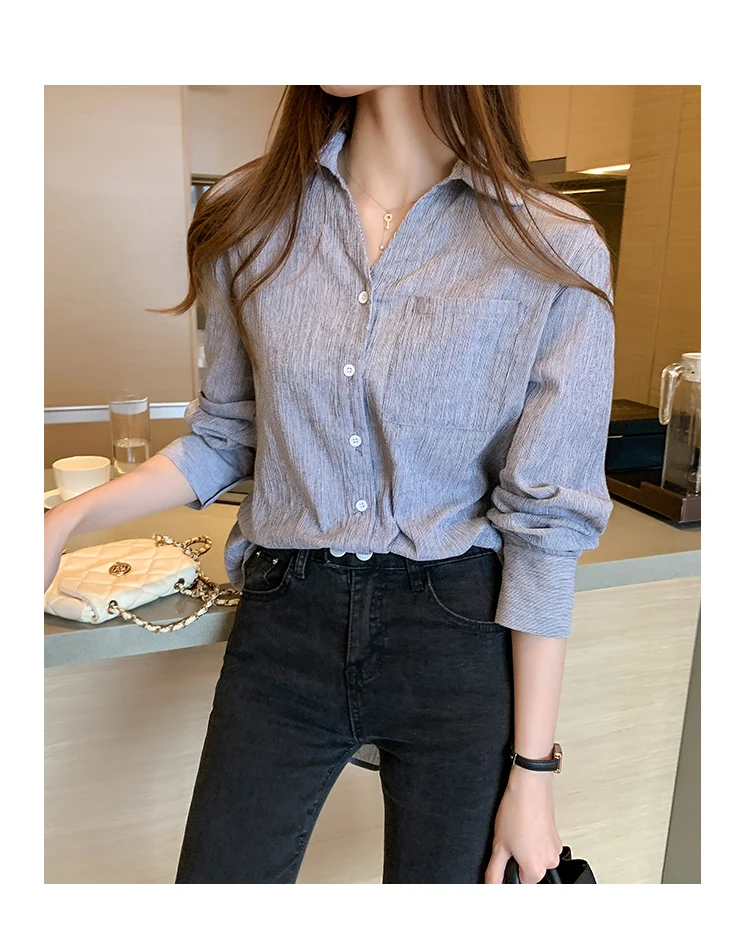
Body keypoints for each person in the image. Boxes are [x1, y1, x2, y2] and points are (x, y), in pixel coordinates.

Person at [44, 85, 616, 884]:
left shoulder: (553, 244)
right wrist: (65, 518)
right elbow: (226, 434)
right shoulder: (252, 215)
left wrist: (533, 773)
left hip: (457, 635)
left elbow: (545, 528)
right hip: (286, 624)